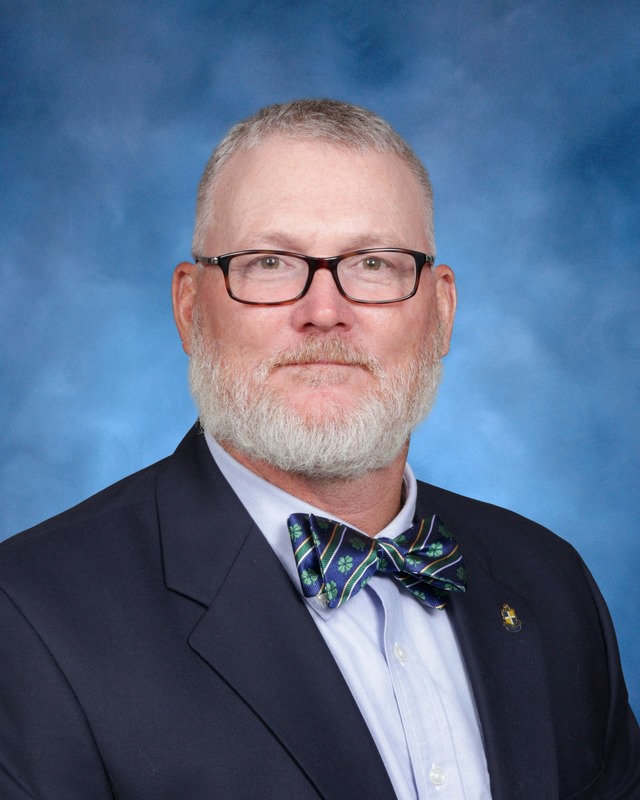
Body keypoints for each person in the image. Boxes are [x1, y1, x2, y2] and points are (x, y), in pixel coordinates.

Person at [0, 99, 638, 800]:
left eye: (373, 263)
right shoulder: (28, 620)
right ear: (189, 309)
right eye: (270, 262)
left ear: (442, 310)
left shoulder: (551, 582)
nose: (325, 311)